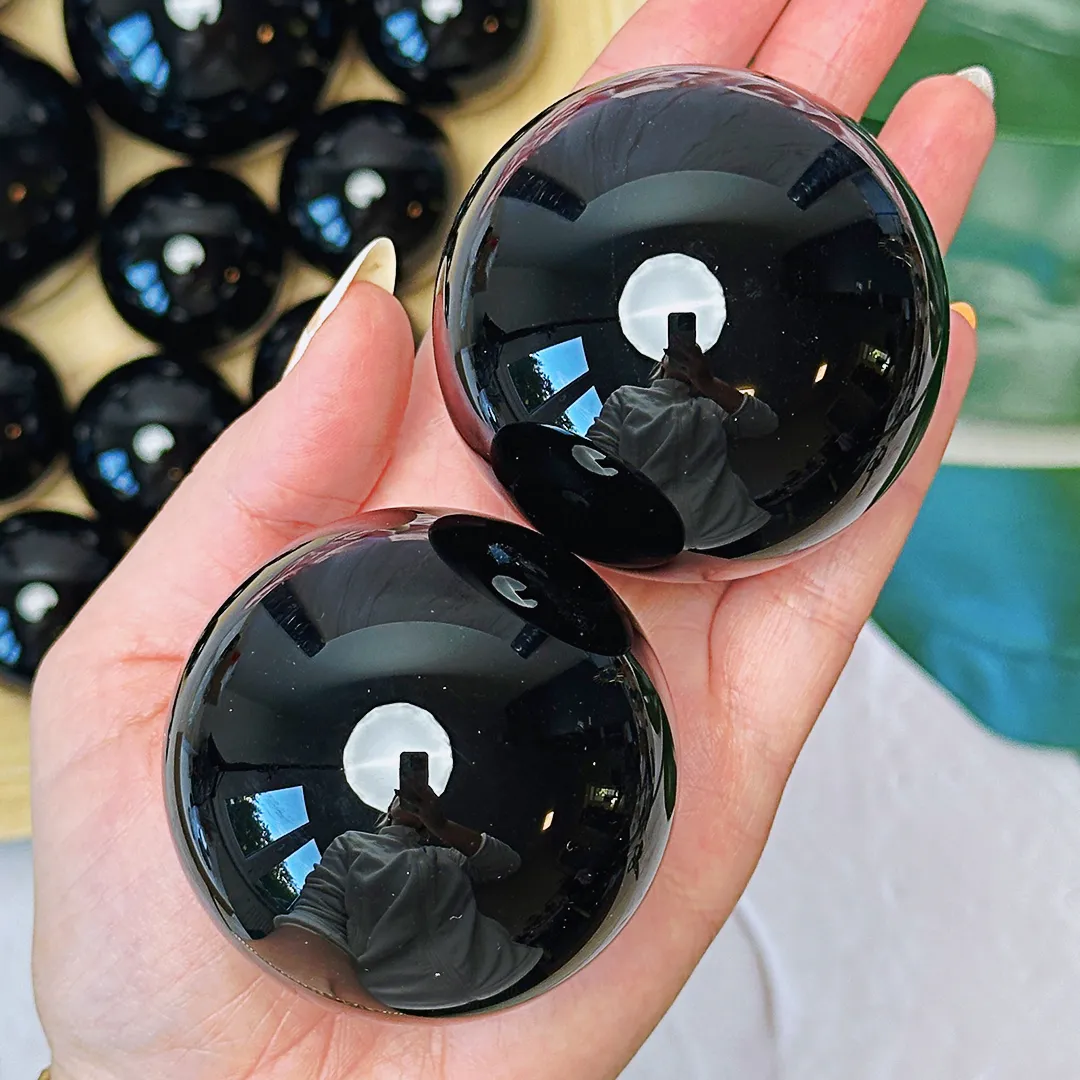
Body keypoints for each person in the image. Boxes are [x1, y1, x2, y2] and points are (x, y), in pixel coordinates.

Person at [28, 1, 996, 1078]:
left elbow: (755, 429)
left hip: (692, 526)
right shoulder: (336, 858)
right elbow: (318, 933)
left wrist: (709, 392)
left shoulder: (699, 400)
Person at [260, 786, 542, 1013]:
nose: (409, 797)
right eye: (402, 794)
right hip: (401, 1007)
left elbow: (506, 864)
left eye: (420, 795)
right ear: (389, 809)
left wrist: (441, 825)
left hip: (513, 978)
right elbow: (317, 913)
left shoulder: (446, 856)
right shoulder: (352, 844)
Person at [587, 338, 779, 550]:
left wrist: (709, 383)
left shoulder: (710, 406)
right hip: (656, 539)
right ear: (662, 361)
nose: (684, 357)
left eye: (693, 354)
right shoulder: (626, 397)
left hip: (738, 529)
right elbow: (597, 452)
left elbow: (765, 423)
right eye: (677, 352)